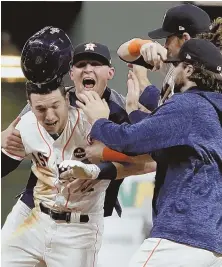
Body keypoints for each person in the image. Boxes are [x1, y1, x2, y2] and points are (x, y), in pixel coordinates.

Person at [63, 39, 222, 266]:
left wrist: (99, 119)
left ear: (188, 69)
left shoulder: (189, 105)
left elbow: (130, 141)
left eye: (175, 65)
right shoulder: (211, 109)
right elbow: (159, 147)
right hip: (211, 243)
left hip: (181, 235)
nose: (171, 71)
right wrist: (133, 111)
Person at [118, 3, 212, 105]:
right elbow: (122, 52)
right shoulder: (177, 60)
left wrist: (143, 82)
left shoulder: (209, 75)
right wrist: (142, 45)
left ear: (185, 39)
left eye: (169, 38)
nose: (165, 44)